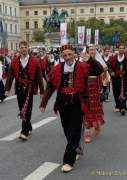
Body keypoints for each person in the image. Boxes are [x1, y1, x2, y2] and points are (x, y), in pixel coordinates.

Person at [39, 44, 89, 173]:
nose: (67, 57)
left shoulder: (82, 66)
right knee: (67, 130)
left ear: (74, 54)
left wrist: (90, 59)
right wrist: (43, 103)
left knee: (74, 131)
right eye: (64, 55)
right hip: (62, 104)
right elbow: (50, 87)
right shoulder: (57, 69)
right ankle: (76, 147)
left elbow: (99, 70)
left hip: (77, 104)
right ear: (61, 56)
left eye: (69, 54)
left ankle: (68, 160)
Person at [5, 41, 44, 140]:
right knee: (21, 108)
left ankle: (24, 132)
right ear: (19, 48)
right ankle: (29, 126)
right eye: (21, 47)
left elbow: (39, 76)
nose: (23, 49)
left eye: (25, 47)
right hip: (18, 87)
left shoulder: (34, 60)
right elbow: (10, 76)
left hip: (29, 88)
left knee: (26, 110)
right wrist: (7, 89)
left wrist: (42, 91)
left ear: (28, 48)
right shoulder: (14, 61)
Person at [81, 44, 105, 143]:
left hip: (95, 86)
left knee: (95, 109)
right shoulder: (82, 61)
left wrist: (104, 82)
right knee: (86, 109)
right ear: (87, 51)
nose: (92, 51)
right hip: (86, 87)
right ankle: (87, 132)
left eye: (93, 49)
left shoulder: (97, 61)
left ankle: (97, 125)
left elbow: (101, 70)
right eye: (90, 49)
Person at [107, 44, 127, 115]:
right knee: (116, 93)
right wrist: (111, 72)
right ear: (118, 49)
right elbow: (107, 66)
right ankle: (117, 105)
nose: (121, 49)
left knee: (123, 93)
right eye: (120, 48)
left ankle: (123, 108)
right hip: (115, 79)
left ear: (124, 49)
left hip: (124, 79)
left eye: (123, 48)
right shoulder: (113, 58)